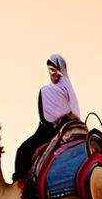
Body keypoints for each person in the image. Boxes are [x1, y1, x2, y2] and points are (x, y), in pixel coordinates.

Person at [14, 54, 81, 183]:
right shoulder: (67, 88)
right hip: (73, 129)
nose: (54, 74)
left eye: (56, 71)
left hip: (52, 131)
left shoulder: (46, 91)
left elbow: (45, 119)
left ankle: (21, 188)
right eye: (51, 71)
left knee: (22, 151)